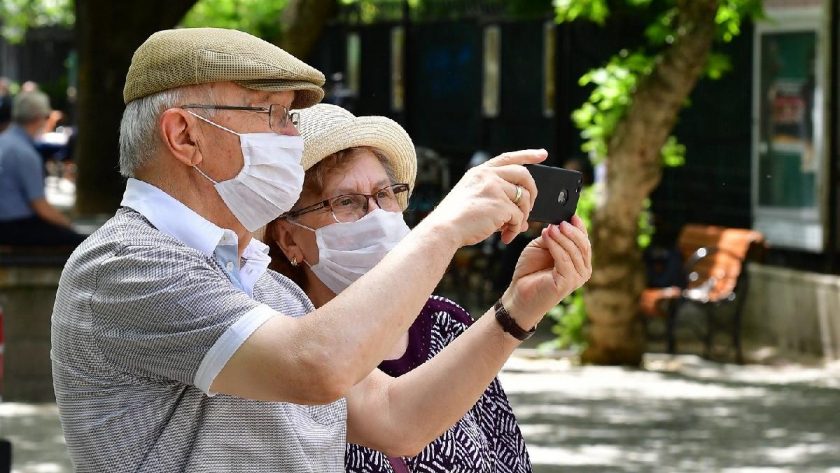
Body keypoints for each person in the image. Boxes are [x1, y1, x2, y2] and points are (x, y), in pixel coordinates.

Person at [51, 27, 592, 472]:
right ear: (185, 136)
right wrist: (444, 227)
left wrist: (517, 309)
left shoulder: (266, 286)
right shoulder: (124, 264)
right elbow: (315, 366)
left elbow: (394, 418)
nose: (291, 136)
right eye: (271, 114)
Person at [263, 104, 532, 472]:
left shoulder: (445, 325)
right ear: (289, 239)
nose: (375, 216)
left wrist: (527, 299)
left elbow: (509, 460)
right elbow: (394, 419)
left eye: (385, 194)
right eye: (345, 202)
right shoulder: (282, 340)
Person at [0, 90, 85, 246]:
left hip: (8, 223)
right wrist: (68, 225)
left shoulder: (5, 141)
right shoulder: (25, 153)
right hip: (13, 226)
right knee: (80, 243)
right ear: (39, 118)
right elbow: (40, 206)